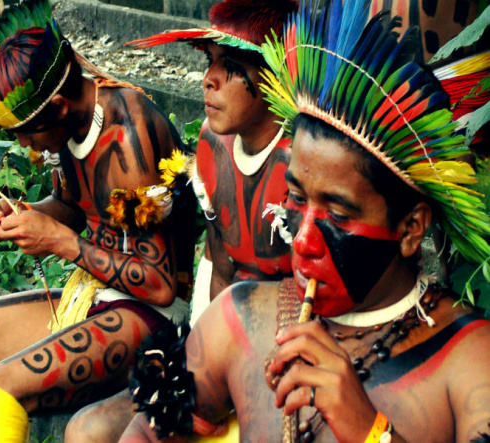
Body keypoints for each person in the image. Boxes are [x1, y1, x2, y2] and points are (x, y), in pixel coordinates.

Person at [119, 1, 490, 442]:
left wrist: (369, 430)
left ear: (411, 229)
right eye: (295, 198)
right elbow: (144, 432)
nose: (304, 240)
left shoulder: (469, 358)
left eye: (337, 213)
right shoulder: (240, 318)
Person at [0, 1, 196, 442]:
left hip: (150, 317)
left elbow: (159, 285)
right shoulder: (72, 122)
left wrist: (60, 242)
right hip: (91, 296)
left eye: (27, 130)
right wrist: (25, 217)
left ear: (57, 105)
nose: (22, 142)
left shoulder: (127, 135)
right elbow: (75, 205)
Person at [62, 2, 297, 442]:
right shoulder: (213, 145)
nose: (208, 79)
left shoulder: (305, 161)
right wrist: (204, 364)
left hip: (289, 364)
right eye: (209, 63)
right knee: (86, 431)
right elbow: (221, 268)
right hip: (222, 348)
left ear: (275, 77)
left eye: (230, 67)